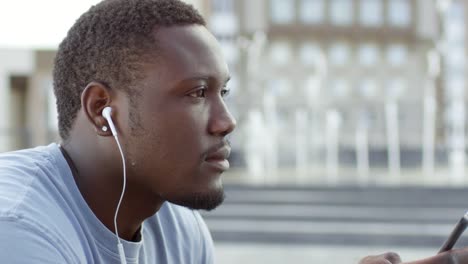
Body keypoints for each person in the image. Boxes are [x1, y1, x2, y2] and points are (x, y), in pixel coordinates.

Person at [0, 0, 466, 263]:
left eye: (224, 92)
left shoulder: (180, 230)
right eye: (196, 93)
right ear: (104, 110)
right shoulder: (17, 230)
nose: (227, 121)